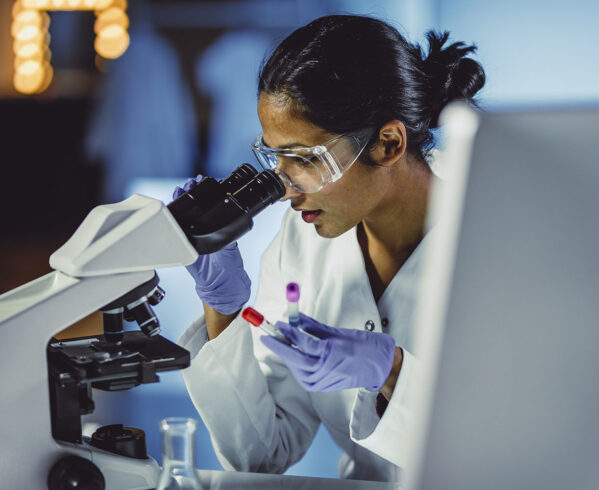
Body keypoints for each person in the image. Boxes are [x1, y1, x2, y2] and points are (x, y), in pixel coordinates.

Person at [176, 14, 485, 481]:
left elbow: (520, 439)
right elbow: (261, 457)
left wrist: (393, 371)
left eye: (303, 159)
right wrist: (223, 310)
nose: (285, 188)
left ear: (388, 143)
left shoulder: (495, 232)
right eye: (275, 157)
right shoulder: (302, 239)